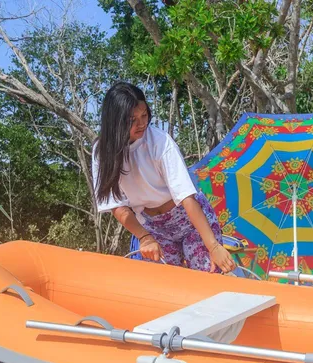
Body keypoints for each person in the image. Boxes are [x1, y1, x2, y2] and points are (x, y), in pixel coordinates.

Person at [92, 82, 235, 274]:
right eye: (132, 119)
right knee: (161, 282)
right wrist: (144, 237)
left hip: (189, 221)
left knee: (206, 275)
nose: (142, 123)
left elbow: (186, 196)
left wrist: (214, 247)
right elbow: (116, 206)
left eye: (144, 115)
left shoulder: (159, 141)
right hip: (152, 227)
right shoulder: (102, 152)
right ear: (116, 121)